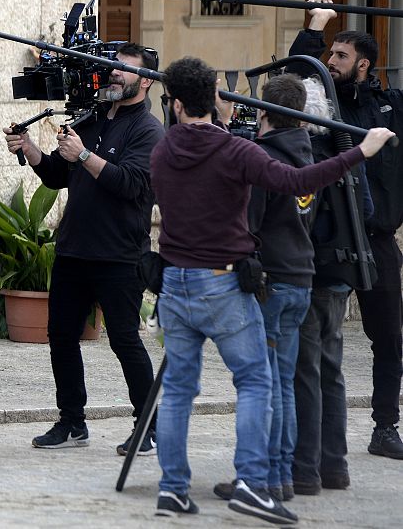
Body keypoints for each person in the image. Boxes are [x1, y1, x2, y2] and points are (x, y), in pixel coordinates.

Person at [150, 56, 394, 523]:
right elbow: (297, 180)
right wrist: (362, 151)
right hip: (221, 283)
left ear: (176, 104)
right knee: (258, 381)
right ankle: (252, 483)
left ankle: (173, 490)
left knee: (180, 391)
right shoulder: (234, 151)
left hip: (175, 284)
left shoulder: (162, 150)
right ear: (218, 100)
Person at [3, 43, 163, 454]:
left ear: (145, 80)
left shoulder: (149, 130)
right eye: (111, 66)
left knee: (125, 340)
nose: (113, 74)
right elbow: (60, 175)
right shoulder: (90, 118)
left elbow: (132, 184)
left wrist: (86, 155)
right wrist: (31, 150)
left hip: (119, 254)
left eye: (123, 69)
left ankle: (149, 426)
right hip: (74, 249)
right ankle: (72, 422)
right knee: (60, 336)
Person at [288, 0, 403, 461]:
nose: (329, 61)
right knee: (316, 341)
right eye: (328, 53)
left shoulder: (391, 107)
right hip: (330, 242)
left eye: (339, 55)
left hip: (377, 241)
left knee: (389, 337)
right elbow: (295, 74)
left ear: (364, 65)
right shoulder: (321, 104)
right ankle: (312, 438)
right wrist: (317, 24)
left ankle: (385, 426)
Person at [212, 74, 316, 503]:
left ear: (263, 113)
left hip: (270, 283)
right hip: (300, 278)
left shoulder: (264, 160)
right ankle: (283, 475)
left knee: (265, 386)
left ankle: (265, 479)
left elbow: (246, 227)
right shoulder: (309, 156)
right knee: (284, 383)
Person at [292, 77, 374, 494]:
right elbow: (367, 210)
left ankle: (305, 469)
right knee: (331, 372)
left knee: (305, 373)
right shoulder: (346, 155)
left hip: (312, 276)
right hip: (341, 277)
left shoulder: (306, 157)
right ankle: (335, 466)